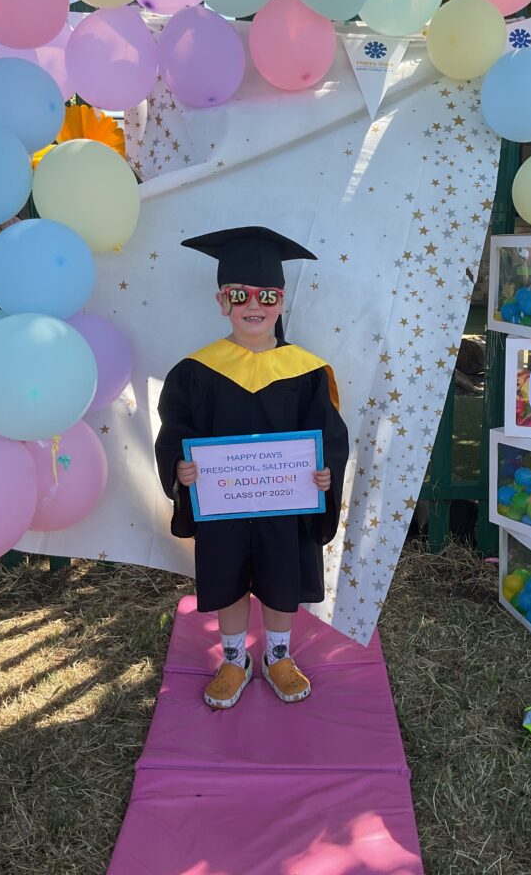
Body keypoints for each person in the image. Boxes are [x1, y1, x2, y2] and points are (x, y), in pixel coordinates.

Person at [155, 226, 349, 710]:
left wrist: (324, 473)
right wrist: (181, 468)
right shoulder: (195, 371)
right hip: (225, 505)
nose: (253, 305)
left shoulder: (304, 370)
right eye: (240, 295)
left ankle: (278, 656)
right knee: (229, 574)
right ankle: (235, 659)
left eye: (266, 295)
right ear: (223, 302)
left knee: (283, 576)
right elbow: (175, 429)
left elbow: (327, 435)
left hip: (286, 503)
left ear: (281, 301)